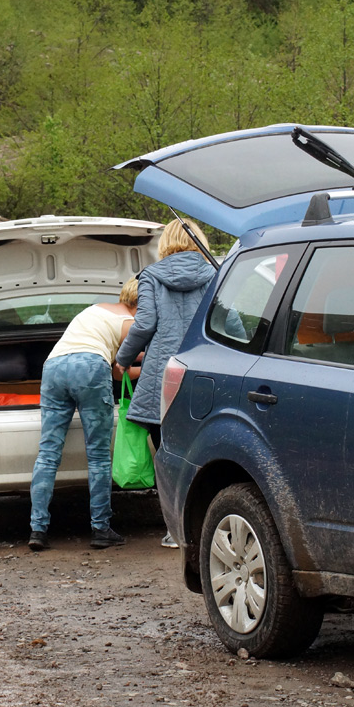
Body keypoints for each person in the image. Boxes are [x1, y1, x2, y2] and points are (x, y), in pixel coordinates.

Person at [115, 217, 215, 547]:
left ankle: (176, 532)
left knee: (168, 454)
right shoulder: (216, 273)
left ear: (165, 244)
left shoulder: (151, 277)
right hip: (207, 372)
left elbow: (143, 326)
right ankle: (206, 527)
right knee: (208, 450)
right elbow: (228, 319)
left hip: (164, 378)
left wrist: (123, 359)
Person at [29, 278, 139, 553]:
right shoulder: (131, 323)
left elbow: (114, 366)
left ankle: (37, 529)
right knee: (99, 455)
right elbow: (119, 371)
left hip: (54, 367)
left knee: (48, 453)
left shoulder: (96, 309)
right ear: (142, 303)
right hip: (90, 367)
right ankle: (101, 529)